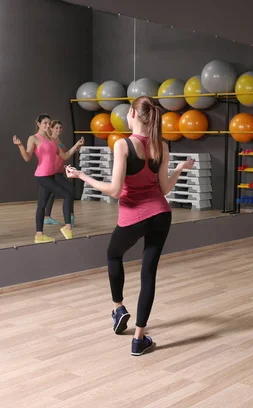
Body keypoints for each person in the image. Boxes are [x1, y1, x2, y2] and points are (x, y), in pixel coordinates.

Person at [66, 96, 194, 356]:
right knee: (148, 274)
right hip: (160, 214)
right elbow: (165, 188)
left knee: (114, 254)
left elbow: (114, 191)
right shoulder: (162, 146)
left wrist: (81, 175)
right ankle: (138, 339)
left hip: (134, 216)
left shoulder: (123, 145)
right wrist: (179, 168)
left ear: (133, 114)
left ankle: (118, 308)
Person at [13, 114, 83, 243]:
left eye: (48, 123)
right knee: (67, 195)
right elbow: (27, 158)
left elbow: (65, 156)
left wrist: (76, 145)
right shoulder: (33, 138)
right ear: (38, 124)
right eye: (44, 123)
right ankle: (68, 228)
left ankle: (39, 235)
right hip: (42, 176)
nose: (47, 126)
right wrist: (20, 146)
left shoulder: (53, 140)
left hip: (50, 175)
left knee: (41, 205)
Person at [44, 120, 76, 226]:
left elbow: (61, 156)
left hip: (59, 170)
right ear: (51, 128)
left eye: (60, 128)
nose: (58, 130)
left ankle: (47, 217)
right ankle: (70, 216)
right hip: (53, 172)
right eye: (56, 128)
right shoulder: (52, 140)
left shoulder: (58, 140)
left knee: (51, 194)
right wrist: (75, 146)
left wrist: (64, 166)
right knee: (70, 189)